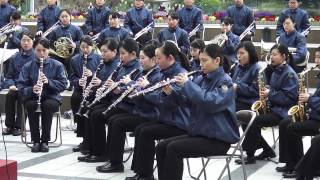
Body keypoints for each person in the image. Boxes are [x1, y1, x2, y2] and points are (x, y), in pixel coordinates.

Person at [156, 43, 240, 180]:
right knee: (161, 147)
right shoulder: (202, 78)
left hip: (217, 139)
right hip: (201, 133)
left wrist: (188, 85)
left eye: (204, 60)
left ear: (217, 60)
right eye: (200, 60)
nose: (200, 64)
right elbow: (187, 103)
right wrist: (171, 92)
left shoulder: (226, 82)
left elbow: (211, 103)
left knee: (173, 149)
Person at [125, 41, 190, 180]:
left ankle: (145, 174)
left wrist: (149, 90)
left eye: (159, 58)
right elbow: (159, 97)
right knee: (141, 130)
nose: (157, 61)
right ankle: (142, 173)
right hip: (167, 119)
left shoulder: (180, 75)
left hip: (179, 122)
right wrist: (139, 89)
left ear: (170, 58)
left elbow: (165, 101)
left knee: (146, 132)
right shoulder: (163, 73)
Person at [94, 43, 162, 173]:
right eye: (140, 58)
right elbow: (132, 88)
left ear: (153, 59)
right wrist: (121, 89)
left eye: (143, 58)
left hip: (149, 114)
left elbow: (153, 99)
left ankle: (116, 163)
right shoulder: (142, 72)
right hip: (140, 110)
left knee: (117, 122)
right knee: (114, 120)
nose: (140, 61)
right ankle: (113, 160)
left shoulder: (157, 75)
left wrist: (132, 87)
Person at [235, 43, 299, 164]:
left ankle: (250, 155)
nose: (271, 57)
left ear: (284, 56)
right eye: (270, 55)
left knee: (253, 121)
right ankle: (265, 150)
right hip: (273, 108)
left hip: (283, 112)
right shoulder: (276, 71)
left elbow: (289, 98)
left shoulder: (289, 74)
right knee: (249, 118)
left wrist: (269, 94)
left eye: (275, 54)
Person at [83, 38, 142, 162]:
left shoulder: (137, 68)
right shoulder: (122, 66)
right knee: (92, 110)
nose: (120, 57)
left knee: (98, 115)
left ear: (133, 54)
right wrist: (106, 87)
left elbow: (130, 89)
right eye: (120, 54)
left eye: (123, 54)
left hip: (128, 107)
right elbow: (116, 85)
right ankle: (93, 149)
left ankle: (103, 154)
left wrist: (116, 88)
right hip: (118, 103)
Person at [16, 38, 68, 153]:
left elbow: (63, 85)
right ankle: (35, 141)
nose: (41, 53)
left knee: (48, 106)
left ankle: (44, 141)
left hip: (52, 97)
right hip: (33, 97)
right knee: (30, 105)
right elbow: (20, 86)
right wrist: (32, 89)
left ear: (49, 50)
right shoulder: (28, 66)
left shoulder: (57, 65)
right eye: (38, 50)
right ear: (34, 50)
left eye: (44, 50)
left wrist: (48, 82)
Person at [276, 48, 320, 179]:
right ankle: (290, 163)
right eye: (316, 57)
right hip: (315, 115)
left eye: (319, 57)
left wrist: (310, 99)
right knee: (285, 123)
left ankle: (298, 165)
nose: (317, 60)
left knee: (292, 128)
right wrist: (308, 107)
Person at [69, 35, 101, 153]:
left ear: (92, 47)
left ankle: (90, 140)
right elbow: (71, 78)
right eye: (82, 47)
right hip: (80, 89)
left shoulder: (99, 58)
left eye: (87, 47)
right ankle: (83, 139)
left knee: (89, 105)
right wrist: (78, 81)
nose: (85, 50)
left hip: (94, 89)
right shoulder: (74, 59)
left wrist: (91, 74)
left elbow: (102, 76)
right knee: (76, 98)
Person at [2, 31, 35, 136]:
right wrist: (11, 85)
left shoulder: (35, 57)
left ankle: (19, 126)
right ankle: (9, 125)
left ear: (32, 42)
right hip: (16, 86)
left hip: (29, 87)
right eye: (23, 40)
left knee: (22, 96)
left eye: (28, 40)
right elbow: (9, 75)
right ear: (20, 42)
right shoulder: (15, 57)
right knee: (10, 95)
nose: (26, 43)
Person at [48, 9, 83, 74]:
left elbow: (82, 41)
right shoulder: (55, 30)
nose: (64, 19)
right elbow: (51, 42)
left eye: (66, 16)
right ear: (59, 18)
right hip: (58, 55)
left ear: (70, 17)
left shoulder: (77, 29)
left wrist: (75, 44)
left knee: (72, 60)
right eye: (62, 17)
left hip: (73, 54)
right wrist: (57, 46)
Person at [232, 41, 260, 111]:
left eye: (242, 53)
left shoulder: (257, 69)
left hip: (248, 103)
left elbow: (255, 91)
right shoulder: (238, 67)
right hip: (236, 100)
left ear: (250, 54)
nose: (239, 56)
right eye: (238, 53)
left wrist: (237, 87)